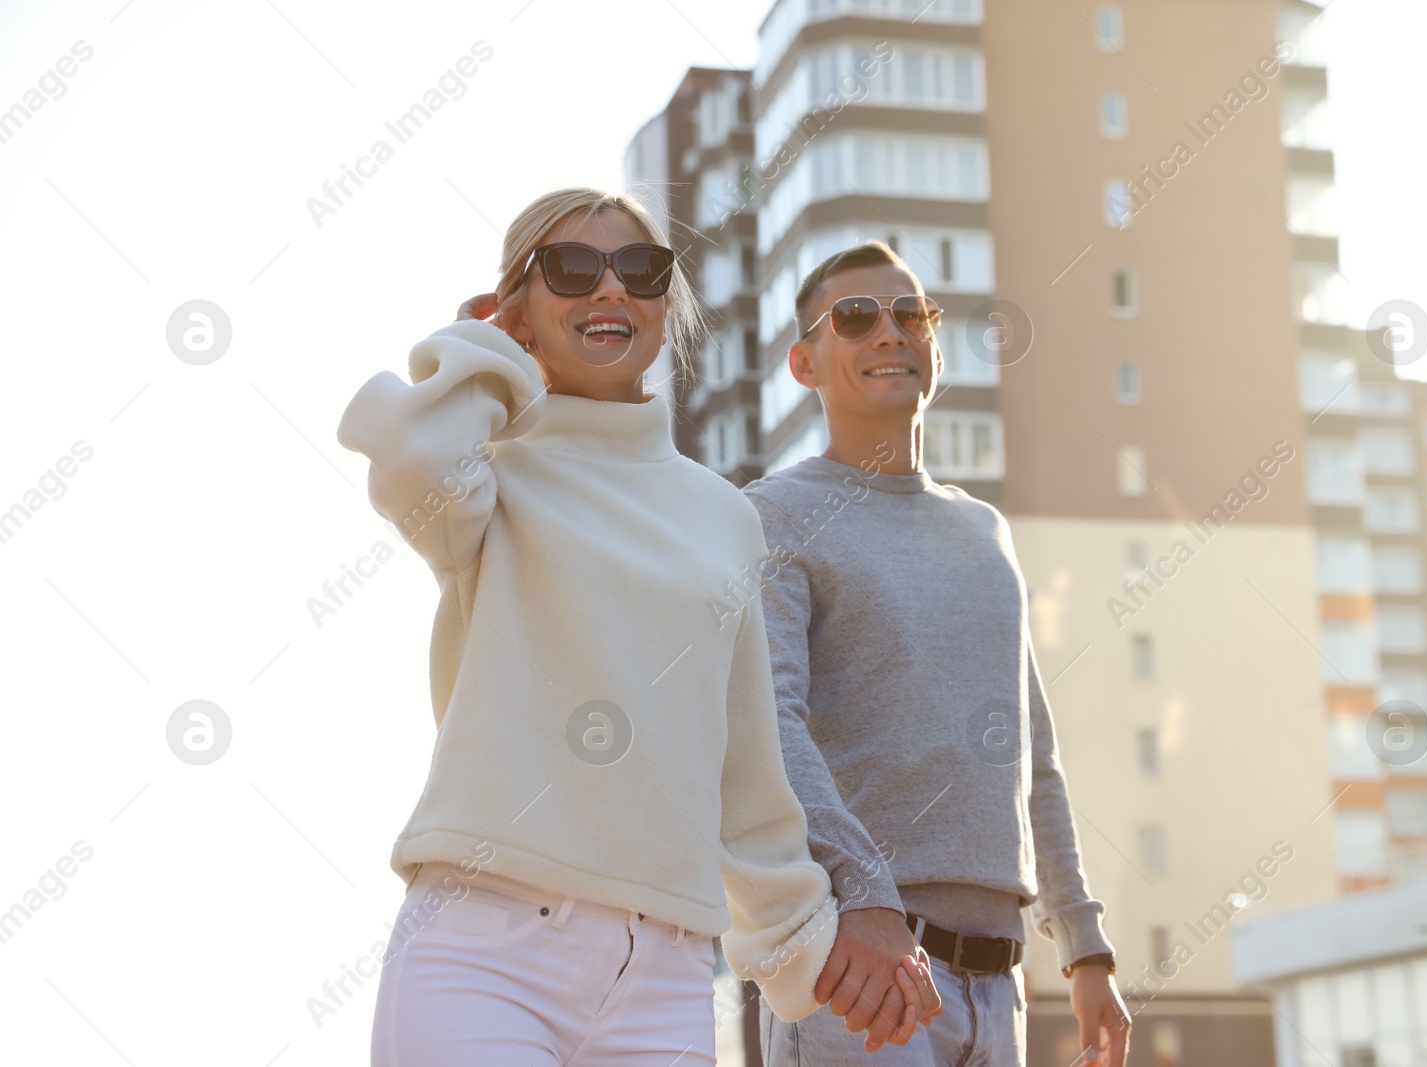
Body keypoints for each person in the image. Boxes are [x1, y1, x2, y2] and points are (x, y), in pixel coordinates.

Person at [337, 189, 937, 1066]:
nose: (611, 290)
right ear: (518, 310)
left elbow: (745, 772)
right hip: (483, 949)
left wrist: (813, 949)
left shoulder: (725, 516)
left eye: (641, 271)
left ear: (665, 304)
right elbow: (408, 453)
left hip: (665, 977)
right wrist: (484, 352)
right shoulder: (488, 469)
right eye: (573, 269)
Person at [742, 240, 1134, 1064]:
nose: (888, 332)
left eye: (909, 313)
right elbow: (767, 723)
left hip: (1001, 988)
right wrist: (865, 891)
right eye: (855, 317)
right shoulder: (772, 514)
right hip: (863, 973)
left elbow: (1036, 756)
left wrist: (1085, 946)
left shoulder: (984, 531)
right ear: (805, 362)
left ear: (935, 344)